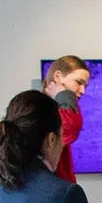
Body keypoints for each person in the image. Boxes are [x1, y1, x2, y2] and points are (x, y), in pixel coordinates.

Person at [39, 54, 90, 186]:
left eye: (85, 86)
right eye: (78, 82)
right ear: (57, 77)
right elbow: (68, 130)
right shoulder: (38, 109)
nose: (83, 90)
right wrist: (65, 96)